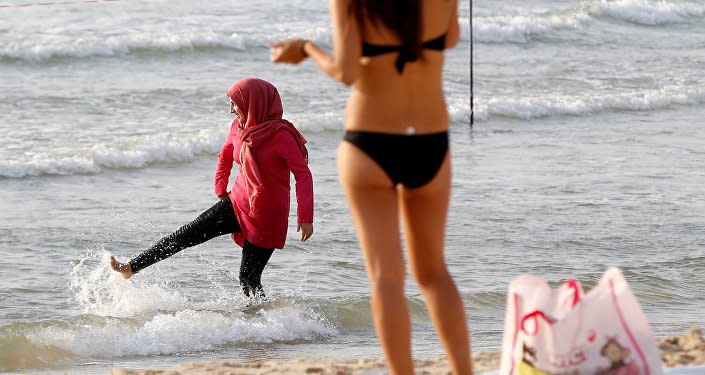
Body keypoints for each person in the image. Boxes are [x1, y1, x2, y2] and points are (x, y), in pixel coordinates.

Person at [269, 1, 471, 374]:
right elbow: (453, 36)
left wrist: (308, 49)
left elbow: (346, 72)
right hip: (429, 142)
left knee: (386, 276)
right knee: (434, 274)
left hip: (370, 143)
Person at [110, 77, 314, 300]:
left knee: (248, 278)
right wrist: (220, 189)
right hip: (236, 203)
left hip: (267, 217)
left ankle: (263, 328)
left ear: (253, 103)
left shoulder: (281, 136)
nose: (231, 110)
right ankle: (131, 267)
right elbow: (225, 155)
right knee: (184, 235)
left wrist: (305, 217)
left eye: (235, 103)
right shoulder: (238, 128)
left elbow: (303, 175)